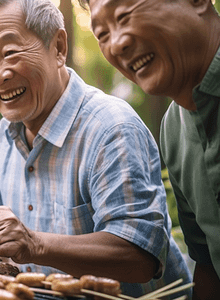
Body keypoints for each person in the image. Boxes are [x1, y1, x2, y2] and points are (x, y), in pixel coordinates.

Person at [0, 0, 191, 297]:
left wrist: (34, 244)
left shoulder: (112, 129)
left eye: (10, 53)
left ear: (58, 47)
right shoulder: (6, 131)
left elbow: (140, 257)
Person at [79, 0, 220, 298]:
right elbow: (207, 262)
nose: (116, 44)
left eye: (125, 15)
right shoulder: (173, 128)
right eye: (102, 34)